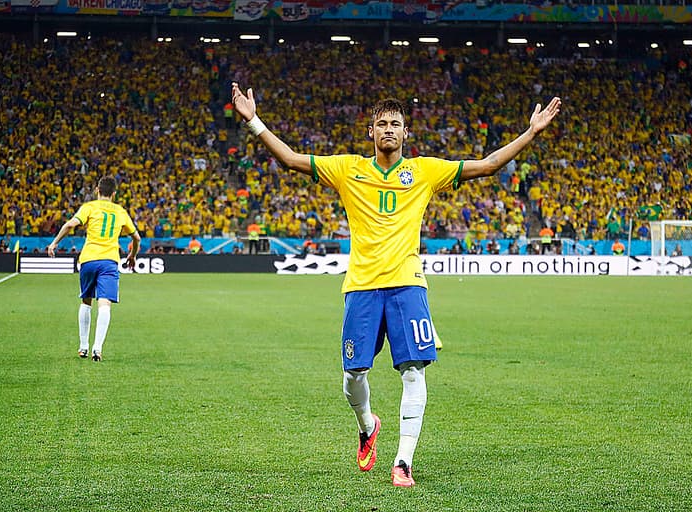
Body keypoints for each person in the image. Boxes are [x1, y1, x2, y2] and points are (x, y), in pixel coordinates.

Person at [232, 82, 561, 487]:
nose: (388, 128)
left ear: (407, 133)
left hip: (407, 285)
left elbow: (487, 164)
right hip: (362, 286)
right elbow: (291, 160)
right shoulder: (347, 168)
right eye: (381, 123)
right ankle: (368, 426)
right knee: (353, 375)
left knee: (413, 371)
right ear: (370, 132)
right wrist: (253, 122)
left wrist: (530, 133)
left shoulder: (424, 171)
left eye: (396, 123)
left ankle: (403, 462)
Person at [47, 175, 141, 362]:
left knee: (86, 300)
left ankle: (83, 346)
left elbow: (70, 225)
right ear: (114, 194)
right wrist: (132, 256)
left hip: (88, 259)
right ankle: (97, 349)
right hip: (109, 261)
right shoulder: (120, 211)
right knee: (104, 304)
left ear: (97, 190)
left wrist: (54, 243)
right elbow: (136, 238)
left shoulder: (89, 207)